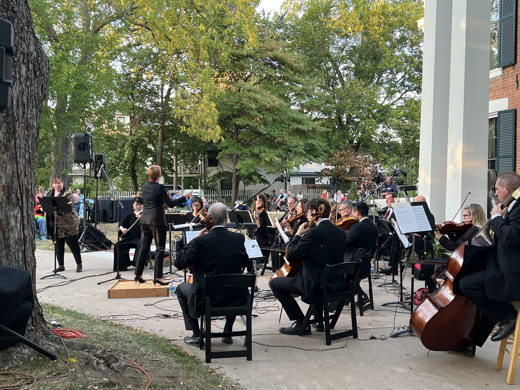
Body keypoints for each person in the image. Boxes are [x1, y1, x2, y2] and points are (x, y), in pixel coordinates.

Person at [455, 172, 520, 357]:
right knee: (484, 290)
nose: (496, 193)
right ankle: (471, 342)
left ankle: (508, 316)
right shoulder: (512, 206)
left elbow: (511, 237)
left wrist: (497, 218)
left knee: (467, 284)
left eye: (497, 189)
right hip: (502, 266)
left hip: (512, 273)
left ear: (507, 189)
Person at [174, 202, 249, 346]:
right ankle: (227, 332)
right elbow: (245, 263)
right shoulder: (238, 239)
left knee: (180, 289)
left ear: (209, 218)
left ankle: (197, 334)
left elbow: (179, 262)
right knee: (231, 283)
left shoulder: (200, 242)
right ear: (226, 219)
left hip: (206, 300)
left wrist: (195, 239)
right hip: (235, 298)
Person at [270, 198, 348, 335]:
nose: (306, 215)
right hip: (336, 283)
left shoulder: (312, 233)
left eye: (308, 212)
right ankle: (318, 319)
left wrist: (298, 235)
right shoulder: (340, 232)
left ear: (314, 212)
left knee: (275, 283)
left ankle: (301, 322)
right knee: (315, 271)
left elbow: (292, 255)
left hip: (316, 286)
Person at [134, 165, 192, 285]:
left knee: (144, 247)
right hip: (157, 221)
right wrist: (184, 197)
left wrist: (161, 204)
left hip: (144, 219)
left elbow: (148, 200)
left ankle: (138, 274)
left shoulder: (145, 186)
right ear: (159, 176)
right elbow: (171, 204)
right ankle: (158, 277)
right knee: (160, 248)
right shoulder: (160, 187)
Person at [419, 203, 486, 293]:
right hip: (460, 260)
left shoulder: (474, 230)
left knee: (426, 265)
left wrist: (439, 235)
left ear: (474, 215)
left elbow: (454, 246)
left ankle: (434, 292)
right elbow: (457, 241)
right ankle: (435, 291)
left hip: (462, 263)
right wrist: (448, 231)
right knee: (427, 263)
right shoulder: (472, 229)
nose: (463, 218)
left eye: (465, 215)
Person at [45, 177, 83, 272]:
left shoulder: (68, 194)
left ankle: (79, 264)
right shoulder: (49, 194)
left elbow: (71, 206)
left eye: (59, 183)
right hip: (53, 223)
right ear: (53, 185)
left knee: (73, 245)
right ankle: (61, 265)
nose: (57, 185)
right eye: (55, 183)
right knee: (58, 245)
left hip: (67, 224)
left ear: (63, 183)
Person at [344, 201, 378, 306]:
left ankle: (345, 297)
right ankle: (347, 297)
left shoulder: (357, 227)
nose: (352, 215)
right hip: (365, 263)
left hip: (355, 265)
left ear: (357, 213)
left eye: (353, 213)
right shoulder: (373, 226)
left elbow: (346, 244)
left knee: (333, 267)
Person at [113, 196, 143, 272]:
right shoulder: (129, 215)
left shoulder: (145, 216)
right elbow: (120, 224)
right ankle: (122, 266)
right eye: (136, 205)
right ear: (133, 205)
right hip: (130, 237)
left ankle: (137, 265)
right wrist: (122, 229)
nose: (138, 207)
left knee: (141, 244)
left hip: (141, 237)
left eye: (140, 205)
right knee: (118, 245)